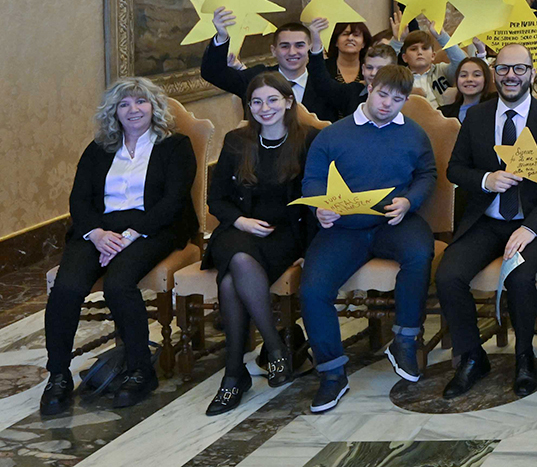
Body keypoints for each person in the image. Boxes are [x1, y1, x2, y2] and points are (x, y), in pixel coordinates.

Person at [41, 78, 197, 416]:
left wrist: (129, 236)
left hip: (153, 228)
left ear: (154, 106)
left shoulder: (175, 145)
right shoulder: (98, 148)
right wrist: (96, 234)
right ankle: (58, 375)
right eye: (124, 104)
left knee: (118, 283)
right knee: (67, 287)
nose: (133, 110)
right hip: (99, 229)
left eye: (140, 102)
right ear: (114, 111)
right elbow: (79, 199)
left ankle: (141, 370)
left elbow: (173, 202)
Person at [436, 45, 537, 398]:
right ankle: (472, 357)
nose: (510, 76)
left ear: (532, 73)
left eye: (519, 69)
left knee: (520, 277)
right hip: (486, 221)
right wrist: (487, 179)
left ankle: (525, 357)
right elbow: (455, 169)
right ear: (493, 73)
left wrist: (530, 228)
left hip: (535, 225)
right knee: (448, 275)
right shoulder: (477, 117)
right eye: (502, 69)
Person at [298, 65, 438, 413]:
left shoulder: (414, 133)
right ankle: (332, 374)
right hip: (344, 227)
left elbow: (427, 174)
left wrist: (410, 201)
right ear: (369, 87)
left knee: (421, 253)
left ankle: (405, 339)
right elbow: (312, 179)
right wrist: (320, 208)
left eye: (398, 99)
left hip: (395, 221)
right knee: (313, 289)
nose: (389, 104)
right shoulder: (333, 135)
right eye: (383, 94)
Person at [204, 74, 314, 415]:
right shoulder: (237, 141)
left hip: (285, 234)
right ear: (248, 106)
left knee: (230, 280)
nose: (264, 108)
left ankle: (234, 374)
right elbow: (217, 199)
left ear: (288, 102)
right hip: (237, 228)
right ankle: (275, 347)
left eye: (271, 100)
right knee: (237, 257)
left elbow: (316, 198)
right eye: (256, 102)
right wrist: (241, 221)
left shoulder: (310, 139)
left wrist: (312, 249)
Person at [202, 12, 352, 121]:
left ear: (309, 48)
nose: (292, 52)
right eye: (285, 46)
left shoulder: (325, 83)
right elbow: (213, 73)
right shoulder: (258, 78)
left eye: (299, 45)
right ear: (274, 50)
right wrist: (221, 37)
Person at [398, 27, 467, 106]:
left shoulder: (442, 70)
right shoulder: (399, 78)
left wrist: (442, 37)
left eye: (424, 48)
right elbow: (383, 72)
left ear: (433, 55)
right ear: (405, 57)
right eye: (413, 49)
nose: (419, 52)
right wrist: (397, 42)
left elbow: (462, 63)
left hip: (444, 116)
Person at [438, 56, 495, 121]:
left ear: (486, 79)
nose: (469, 79)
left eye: (476, 75)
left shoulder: (496, 107)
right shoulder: (443, 114)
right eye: (463, 75)